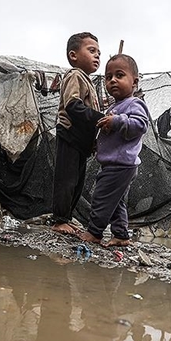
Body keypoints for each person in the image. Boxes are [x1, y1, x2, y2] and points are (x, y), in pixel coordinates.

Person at [77, 54, 149, 247]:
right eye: (109, 77)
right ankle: (121, 235)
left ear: (134, 81)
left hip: (121, 164)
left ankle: (95, 232)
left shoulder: (134, 104)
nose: (113, 80)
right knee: (116, 202)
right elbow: (111, 134)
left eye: (119, 75)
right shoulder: (114, 106)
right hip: (114, 163)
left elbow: (141, 125)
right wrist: (98, 143)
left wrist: (117, 120)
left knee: (101, 196)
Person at [51, 32, 105, 235]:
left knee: (78, 182)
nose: (97, 56)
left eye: (99, 53)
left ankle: (67, 217)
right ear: (74, 56)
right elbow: (73, 106)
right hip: (69, 135)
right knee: (66, 180)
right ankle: (59, 220)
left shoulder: (89, 82)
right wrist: (100, 117)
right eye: (92, 51)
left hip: (82, 142)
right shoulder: (75, 75)